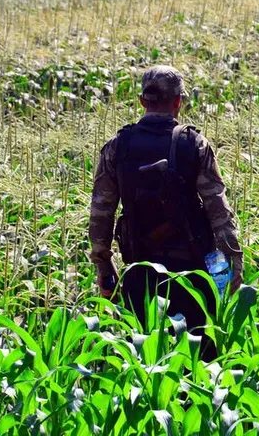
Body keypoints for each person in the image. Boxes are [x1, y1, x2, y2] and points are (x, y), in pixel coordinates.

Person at [88, 65, 243, 360]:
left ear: (142, 101)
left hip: (139, 273)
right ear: (177, 102)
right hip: (192, 275)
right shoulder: (194, 144)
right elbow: (219, 211)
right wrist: (233, 265)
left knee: (145, 361)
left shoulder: (117, 146)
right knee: (199, 361)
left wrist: (104, 267)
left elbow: (101, 212)